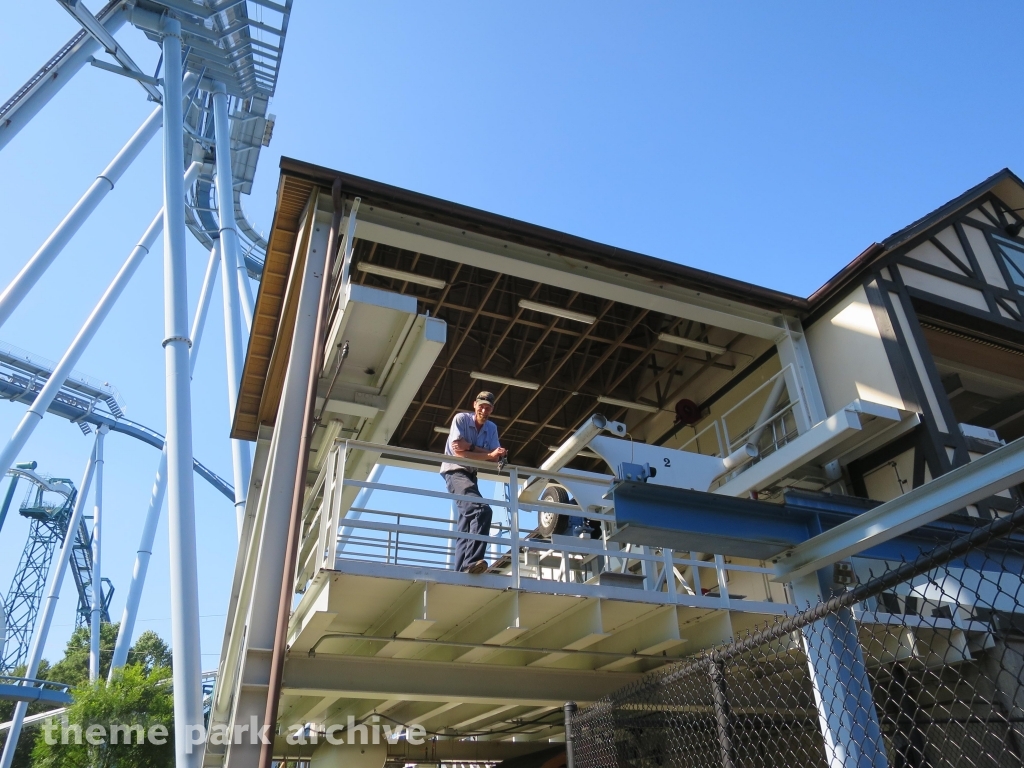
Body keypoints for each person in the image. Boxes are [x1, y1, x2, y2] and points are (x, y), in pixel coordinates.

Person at [440, 391, 508, 574]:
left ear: (492, 409)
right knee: (481, 510)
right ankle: (472, 561)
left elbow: (495, 458)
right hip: (455, 472)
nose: (484, 410)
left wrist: (473, 449)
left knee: (468, 524)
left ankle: (460, 571)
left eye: (488, 407)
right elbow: (458, 452)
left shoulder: (491, 428)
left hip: (470, 476)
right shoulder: (461, 419)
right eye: (481, 406)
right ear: (474, 405)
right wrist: (487, 453)